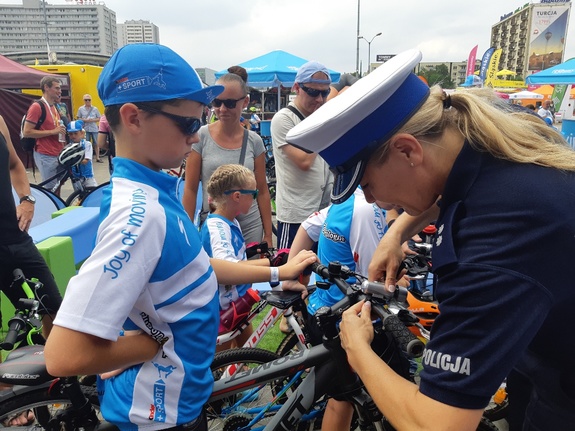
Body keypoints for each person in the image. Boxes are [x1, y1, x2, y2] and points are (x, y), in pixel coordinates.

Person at [286, 48, 575, 430]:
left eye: (367, 184)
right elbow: (455, 179)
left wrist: (357, 349)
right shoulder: (486, 127)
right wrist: (398, 231)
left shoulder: (495, 239)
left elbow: (437, 424)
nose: (371, 200)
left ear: (408, 150)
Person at [44, 43, 316, 431]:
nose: (196, 136)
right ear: (134, 118)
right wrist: (150, 344)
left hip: (178, 399)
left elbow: (196, 267)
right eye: (189, 123)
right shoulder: (139, 216)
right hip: (158, 413)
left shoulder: (154, 192)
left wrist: (277, 272)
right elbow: (64, 353)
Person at [283, 188, 404, 431]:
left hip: (323, 310)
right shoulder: (368, 211)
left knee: (343, 399)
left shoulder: (350, 198)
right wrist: (397, 283)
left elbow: (308, 226)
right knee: (397, 383)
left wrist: (290, 271)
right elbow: (374, 279)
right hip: (347, 320)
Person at [183, 73, 273, 246]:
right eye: (217, 102)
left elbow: (262, 190)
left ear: (245, 102)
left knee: (251, 271)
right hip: (216, 226)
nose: (222, 109)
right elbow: (191, 188)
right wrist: (188, 231)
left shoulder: (254, 141)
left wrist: (268, 235)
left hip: (249, 225)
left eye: (230, 103)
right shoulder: (201, 136)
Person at [0, 113, 62, 361]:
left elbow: (14, 164)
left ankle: (53, 381)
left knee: (53, 309)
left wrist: (27, 199)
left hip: (15, 236)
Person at [201, 164, 273, 350]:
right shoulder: (218, 227)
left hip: (236, 303)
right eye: (254, 194)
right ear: (238, 196)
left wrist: (250, 252)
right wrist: (272, 265)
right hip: (223, 310)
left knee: (245, 357)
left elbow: (232, 255)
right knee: (221, 370)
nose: (255, 199)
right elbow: (228, 267)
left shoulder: (229, 219)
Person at [270, 60, 334, 249]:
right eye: (313, 92)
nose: (319, 99)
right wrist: (321, 125)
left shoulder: (320, 116)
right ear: (297, 88)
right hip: (296, 213)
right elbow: (304, 161)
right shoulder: (284, 119)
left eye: (325, 93)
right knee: (291, 271)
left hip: (324, 210)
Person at [22, 76, 67, 195]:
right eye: (56, 88)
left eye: (60, 88)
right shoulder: (37, 107)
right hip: (45, 154)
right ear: (46, 88)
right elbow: (27, 132)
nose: (60, 91)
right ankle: (51, 210)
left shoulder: (54, 106)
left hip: (58, 152)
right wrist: (53, 131)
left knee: (57, 186)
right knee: (50, 189)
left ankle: (58, 210)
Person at [66, 120, 97, 190]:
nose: (73, 136)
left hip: (88, 177)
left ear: (81, 133)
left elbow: (86, 160)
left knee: (91, 193)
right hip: (76, 178)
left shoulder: (87, 144)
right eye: (71, 134)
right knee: (79, 197)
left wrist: (71, 160)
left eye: (75, 133)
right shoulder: (68, 147)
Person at [77, 94, 102, 163]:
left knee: (96, 143)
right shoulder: (81, 109)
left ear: (91, 100)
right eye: (86, 100)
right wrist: (85, 120)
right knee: (86, 143)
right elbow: (78, 118)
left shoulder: (95, 109)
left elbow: (99, 118)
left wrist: (93, 120)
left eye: (89, 100)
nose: (87, 101)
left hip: (94, 128)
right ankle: (87, 157)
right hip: (85, 129)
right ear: (84, 101)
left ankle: (97, 157)